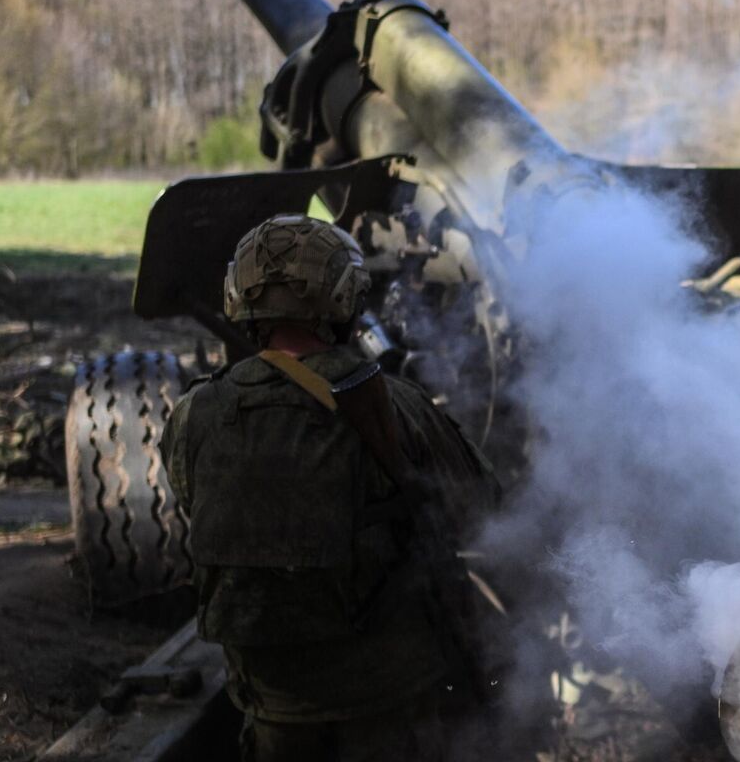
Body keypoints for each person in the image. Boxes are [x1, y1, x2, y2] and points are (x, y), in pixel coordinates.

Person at [165, 214, 497, 761]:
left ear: (238, 298)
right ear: (346, 296)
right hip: (391, 705)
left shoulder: (193, 413)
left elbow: (193, 505)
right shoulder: (393, 405)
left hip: (273, 710)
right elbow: (480, 507)